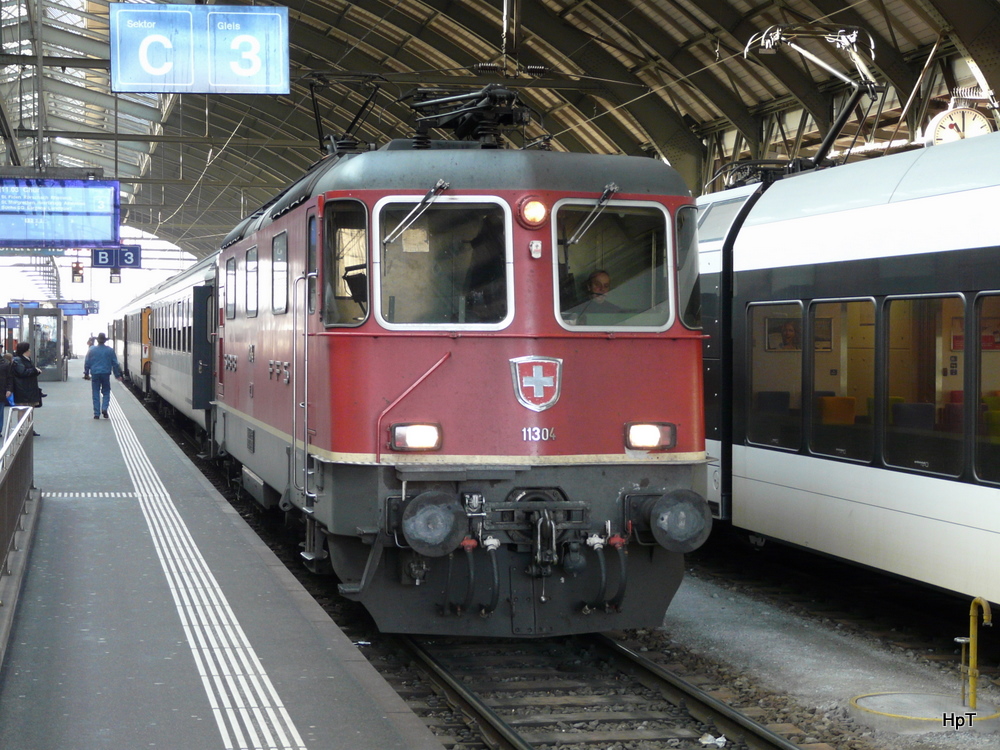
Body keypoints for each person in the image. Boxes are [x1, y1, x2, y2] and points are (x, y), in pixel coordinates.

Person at [83, 333, 123, 420]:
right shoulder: (110, 350)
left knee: (95, 392)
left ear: (97, 341)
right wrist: (117, 375)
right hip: (105, 374)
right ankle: (104, 408)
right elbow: (115, 364)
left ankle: (96, 414)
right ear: (105, 341)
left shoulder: (92, 350)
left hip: (95, 374)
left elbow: (87, 362)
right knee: (106, 391)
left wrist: (86, 373)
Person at [11, 342, 43, 436]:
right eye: (28, 349)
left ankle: (29, 428)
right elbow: (22, 373)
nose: (30, 351)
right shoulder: (18, 360)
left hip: (29, 388)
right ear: (24, 351)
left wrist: (35, 371)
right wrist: (35, 370)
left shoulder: (26, 359)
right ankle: (21, 429)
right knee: (22, 408)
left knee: (30, 408)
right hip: (22, 388)